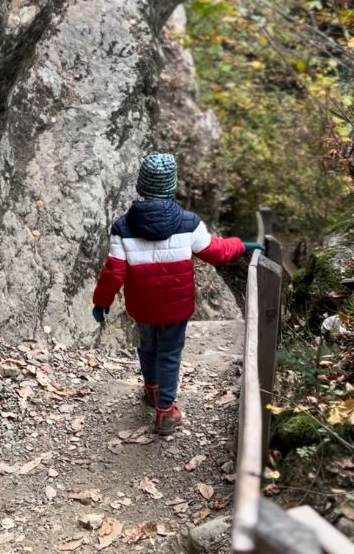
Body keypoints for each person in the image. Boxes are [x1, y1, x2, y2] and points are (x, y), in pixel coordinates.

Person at [92, 152, 262, 435]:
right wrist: (242, 245)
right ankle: (165, 412)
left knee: (147, 347)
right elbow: (217, 252)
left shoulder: (122, 226)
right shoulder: (189, 222)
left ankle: (152, 390)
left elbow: (114, 271)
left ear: (141, 185)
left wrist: (101, 301)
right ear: (172, 186)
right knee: (170, 354)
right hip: (175, 307)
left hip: (143, 306)